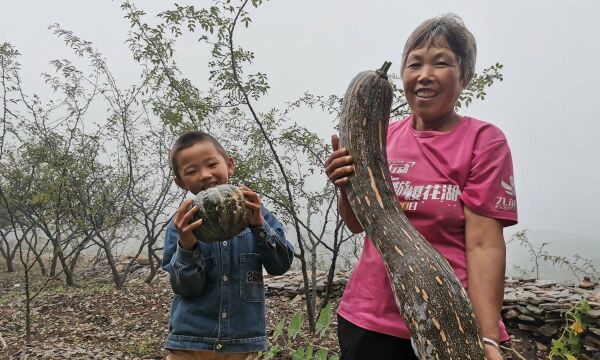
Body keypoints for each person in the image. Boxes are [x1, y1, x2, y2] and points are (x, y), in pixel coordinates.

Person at [324, 14, 517, 360]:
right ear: (403, 76)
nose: (424, 75)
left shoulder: (483, 141)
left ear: (465, 76)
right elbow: (358, 224)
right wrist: (345, 186)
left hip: (449, 321)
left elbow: (484, 244)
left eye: (440, 63)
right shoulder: (379, 136)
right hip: (367, 319)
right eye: (415, 64)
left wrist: (487, 337)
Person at [162, 131, 294, 360]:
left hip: (242, 343)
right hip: (191, 343)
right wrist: (186, 245)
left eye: (212, 164)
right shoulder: (180, 226)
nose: (204, 175)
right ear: (180, 181)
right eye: (192, 171)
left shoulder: (256, 213)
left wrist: (258, 226)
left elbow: (280, 265)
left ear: (229, 165)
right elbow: (185, 287)